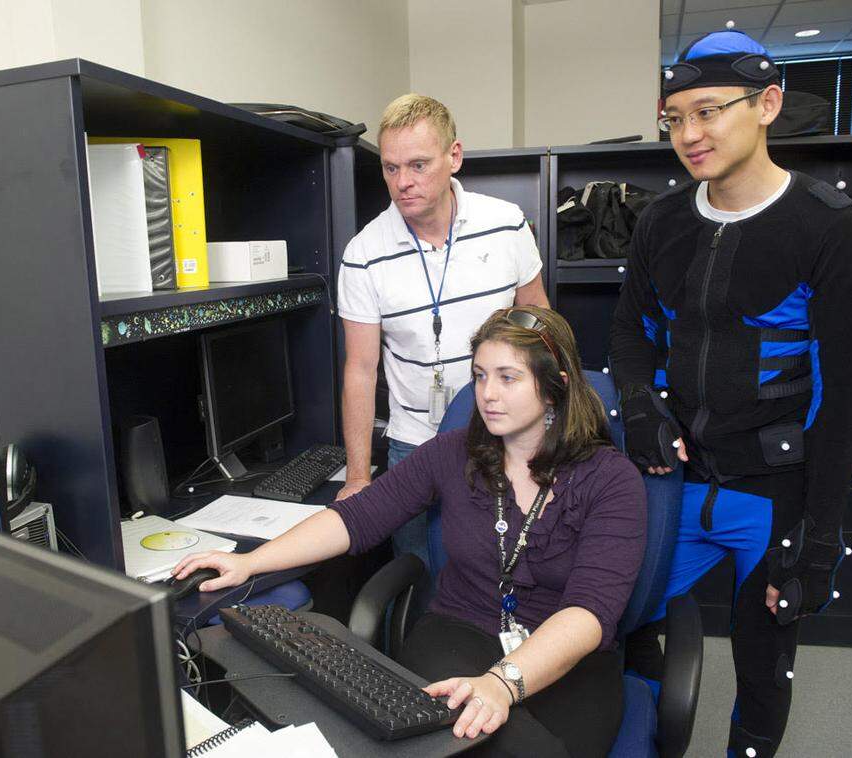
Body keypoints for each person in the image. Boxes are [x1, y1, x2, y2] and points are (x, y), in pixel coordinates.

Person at [173, 306, 645, 757]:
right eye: (480, 375)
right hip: (459, 632)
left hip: (567, 653)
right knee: (461, 738)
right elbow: (356, 518)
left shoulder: (611, 479)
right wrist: (250, 562)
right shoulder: (451, 452)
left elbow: (588, 613)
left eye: (509, 377)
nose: (488, 395)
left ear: (555, 387)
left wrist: (502, 683)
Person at [609, 29, 852, 758]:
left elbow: (845, 399)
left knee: (761, 671)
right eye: (674, 118)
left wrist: (820, 540)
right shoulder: (661, 221)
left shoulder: (830, 227)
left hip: (774, 493)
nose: (690, 134)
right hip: (681, 481)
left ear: (767, 105)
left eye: (709, 111)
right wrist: (637, 401)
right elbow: (629, 337)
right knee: (619, 620)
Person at [336, 94, 550, 579]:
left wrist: (554, 422)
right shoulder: (364, 253)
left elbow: (540, 322)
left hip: (505, 438)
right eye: (391, 169)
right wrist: (358, 476)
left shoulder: (506, 223)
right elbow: (361, 369)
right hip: (414, 446)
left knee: (510, 578)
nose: (403, 182)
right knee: (420, 581)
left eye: (418, 165)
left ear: (454, 156)